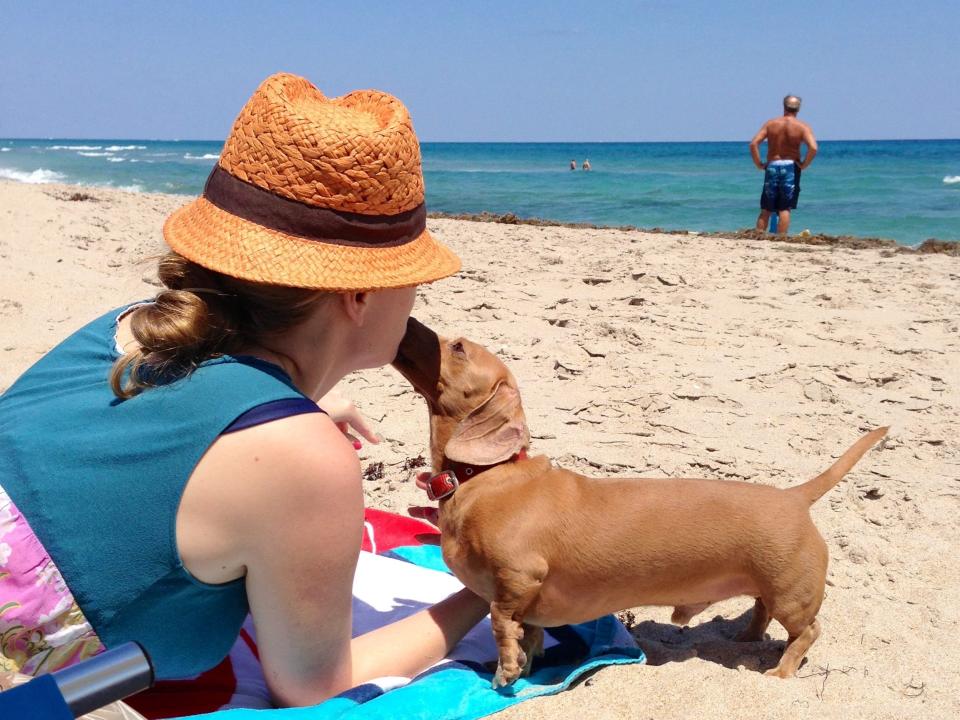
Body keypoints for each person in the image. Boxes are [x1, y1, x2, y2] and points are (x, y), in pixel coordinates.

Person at [0, 73, 490, 707]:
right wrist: (485, 594)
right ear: (361, 294)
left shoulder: (127, 329)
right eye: (412, 276)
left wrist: (294, 414)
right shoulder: (300, 457)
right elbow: (316, 687)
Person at [749, 94, 818, 235]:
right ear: (798, 109)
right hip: (791, 167)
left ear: (784, 106)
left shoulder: (771, 124)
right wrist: (804, 164)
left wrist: (758, 163)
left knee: (766, 208)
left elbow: (754, 143)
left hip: (773, 165)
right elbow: (813, 147)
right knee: (784, 208)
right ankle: (781, 238)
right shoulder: (802, 126)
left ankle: (758, 236)